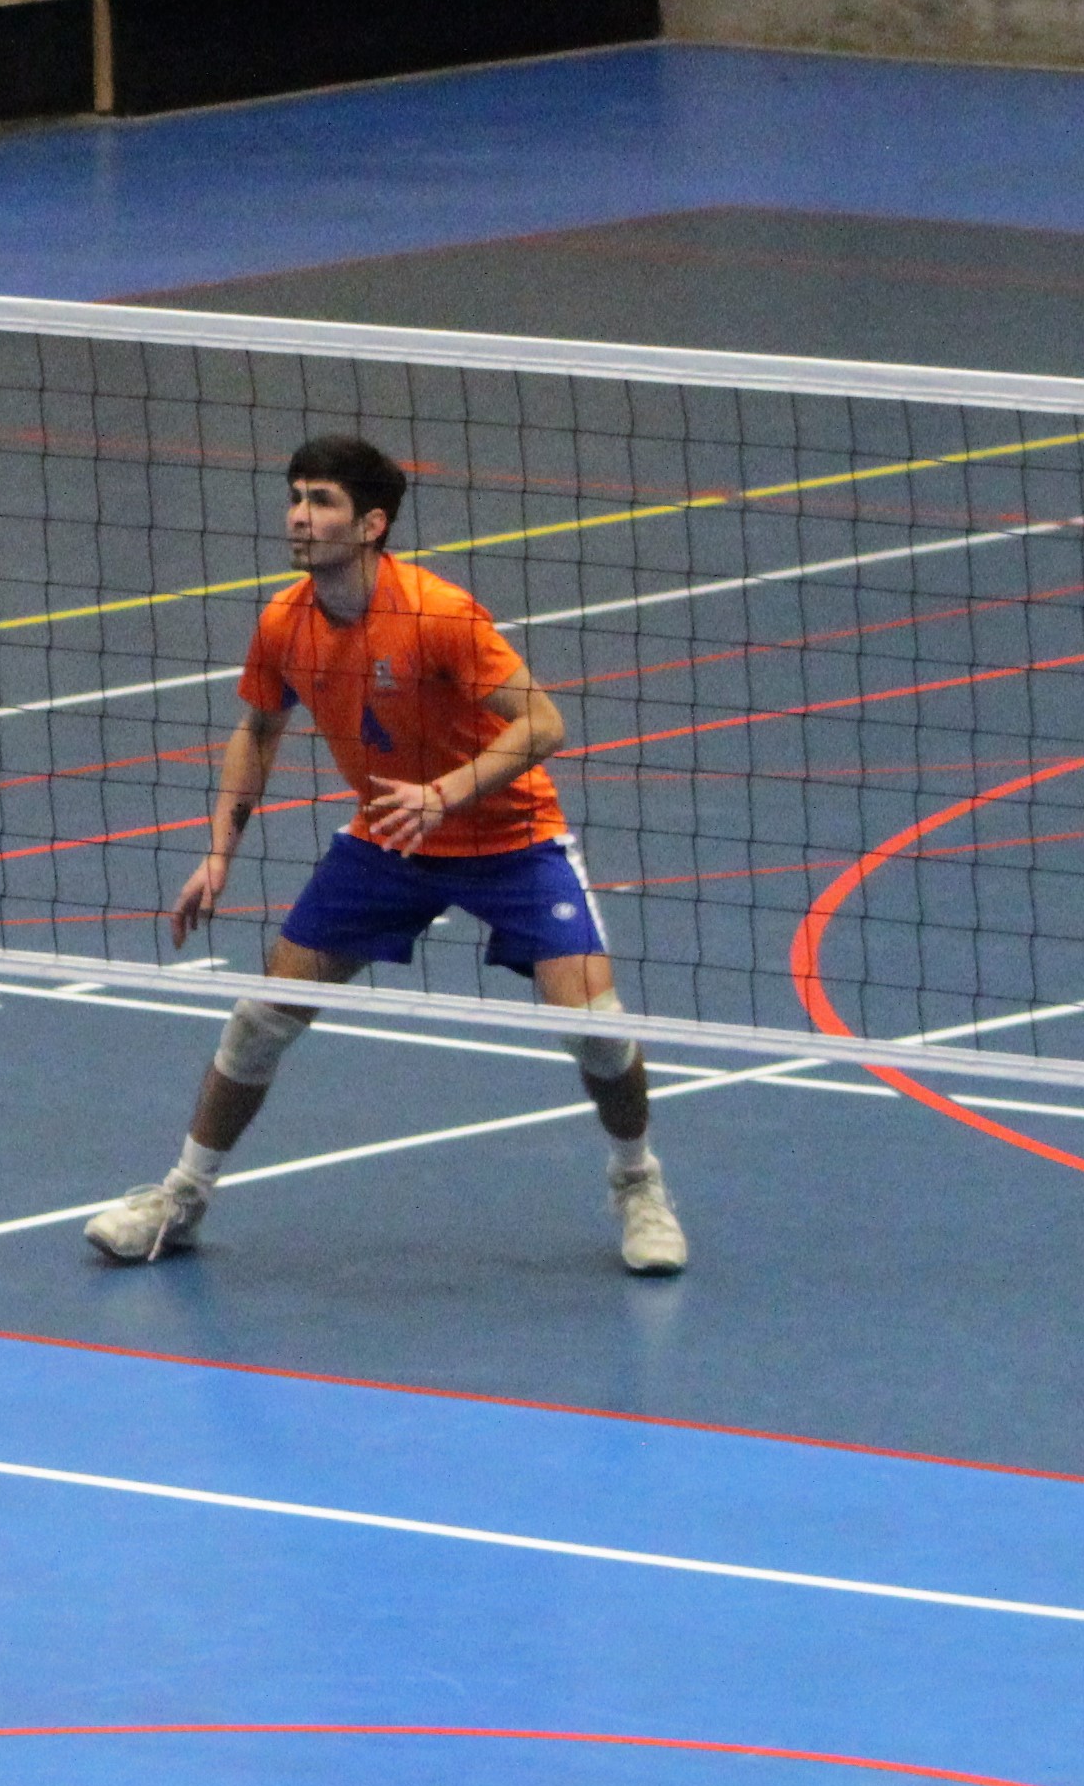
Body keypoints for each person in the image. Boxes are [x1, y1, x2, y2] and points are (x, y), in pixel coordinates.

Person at [83, 434, 685, 1277]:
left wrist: (445, 794)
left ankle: (638, 1184)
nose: (299, 515)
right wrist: (220, 851)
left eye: (321, 500)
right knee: (260, 1020)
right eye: (296, 496)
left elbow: (543, 722)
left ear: (371, 524)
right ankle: (180, 1199)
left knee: (596, 1030)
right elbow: (259, 728)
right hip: (388, 841)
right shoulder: (284, 620)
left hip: (509, 839)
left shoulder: (436, 614)